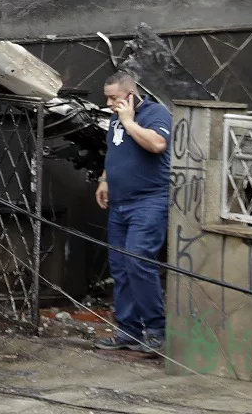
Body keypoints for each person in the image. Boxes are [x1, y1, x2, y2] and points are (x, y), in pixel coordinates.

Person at [94, 70, 172, 352]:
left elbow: (157, 144)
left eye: (113, 98)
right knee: (120, 267)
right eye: (107, 98)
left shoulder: (155, 114)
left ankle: (155, 330)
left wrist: (128, 121)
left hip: (149, 201)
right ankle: (128, 331)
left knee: (139, 261)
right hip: (120, 203)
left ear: (130, 94)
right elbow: (115, 152)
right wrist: (104, 179)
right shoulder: (116, 118)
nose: (109, 103)